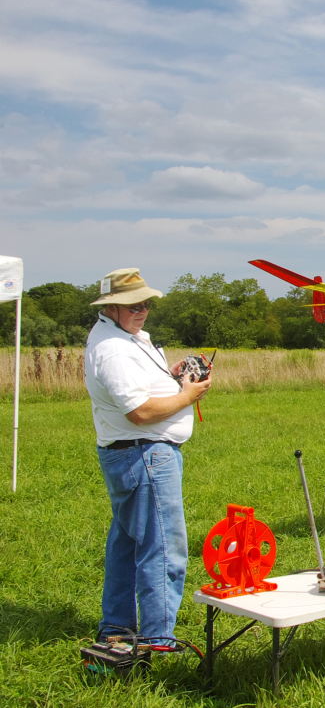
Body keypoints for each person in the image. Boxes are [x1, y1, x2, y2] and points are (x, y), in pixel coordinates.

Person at [84, 268, 211, 641]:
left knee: (126, 546)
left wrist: (172, 377)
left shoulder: (126, 337)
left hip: (135, 455)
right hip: (145, 456)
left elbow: (139, 390)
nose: (142, 310)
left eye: (146, 304)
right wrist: (188, 396)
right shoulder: (113, 350)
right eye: (132, 305)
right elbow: (138, 413)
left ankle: (117, 628)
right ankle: (159, 640)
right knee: (164, 551)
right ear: (110, 308)